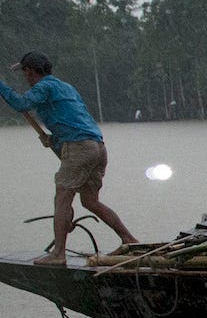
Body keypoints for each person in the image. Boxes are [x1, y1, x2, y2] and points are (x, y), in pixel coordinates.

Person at [1, 51, 139, 265]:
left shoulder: (44, 87)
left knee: (62, 199)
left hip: (79, 147)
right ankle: (129, 240)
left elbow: (20, 104)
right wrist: (54, 140)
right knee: (90, 201)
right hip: (97, 147)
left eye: (25, 72)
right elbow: (73, 118)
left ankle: (58, 254)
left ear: (30, 71)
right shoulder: (65, 87)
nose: (24, 77)